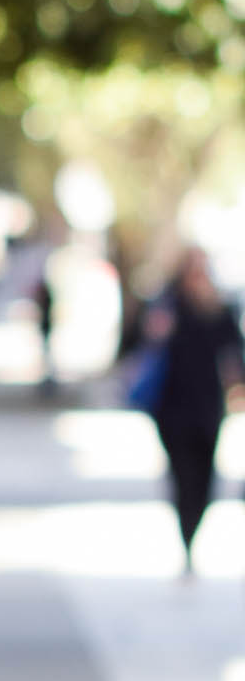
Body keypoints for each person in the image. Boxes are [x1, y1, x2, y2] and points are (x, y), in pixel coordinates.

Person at [137, 246, 245, 574]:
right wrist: (155, 331)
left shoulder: (219, 307)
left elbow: (235, 352)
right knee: (183, 475)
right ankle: (186, 540)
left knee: (205, 478)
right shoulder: (166, 305)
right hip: (170, 407)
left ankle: (192, 532)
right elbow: (137, 343)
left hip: (208, 407)